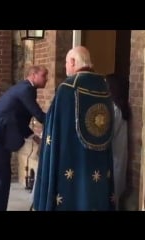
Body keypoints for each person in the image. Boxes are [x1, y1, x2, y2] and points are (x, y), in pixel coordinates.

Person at [32, 46, 115, 211]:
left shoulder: (68, 88)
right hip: (98, 159)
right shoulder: (104, 87)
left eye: (66, 63)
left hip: (70, 158)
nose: (66, 67)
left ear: (73, 62)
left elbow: (53, 124)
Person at [0, 65, 48, 211]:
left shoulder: (27, 89)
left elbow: (20, 119)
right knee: (3, 176)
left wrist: (32, 136)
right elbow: (39, 115)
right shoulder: (26, 89)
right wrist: (57, 121)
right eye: (44, 75)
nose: (47, 79)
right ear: (33, 75)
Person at [105, 73, 129, 210]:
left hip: (114, 157)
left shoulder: (114, 108)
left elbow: (108, 134)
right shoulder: (119, 107)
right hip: (118, 156)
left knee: (112, 198)